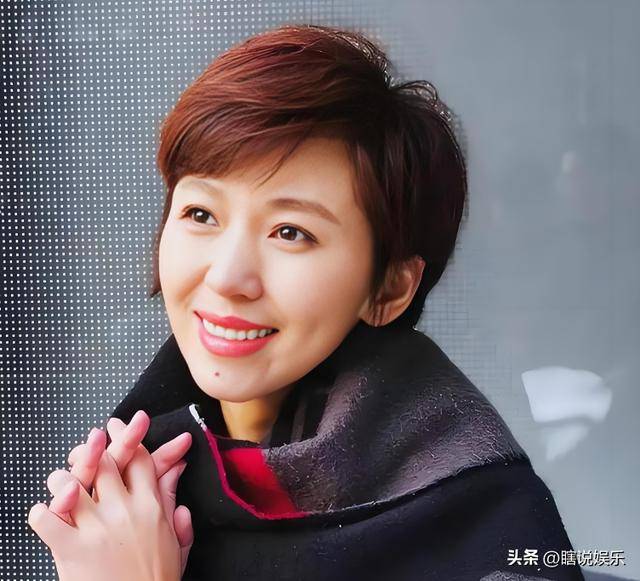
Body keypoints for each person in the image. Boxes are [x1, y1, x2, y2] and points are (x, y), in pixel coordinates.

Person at [28, 24, 585, 580]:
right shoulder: (128, 497)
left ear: (388, 288)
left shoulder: (486, 522)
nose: (227, 277)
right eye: (201, 214)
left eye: (291, 232)